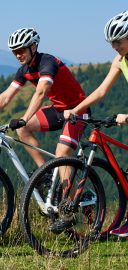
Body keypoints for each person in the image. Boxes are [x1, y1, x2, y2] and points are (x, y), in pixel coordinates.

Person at [0, 27, 89, 233]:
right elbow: (6, 96)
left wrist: (25, 118)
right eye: (15, 51)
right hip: (58, 110)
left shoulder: (48, 62)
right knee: (22, 132)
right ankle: (46, 173)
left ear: (34, 46)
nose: (18, 54)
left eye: (22, 50)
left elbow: (42, 91)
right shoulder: (24, 70)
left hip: (78, 110)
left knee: (62, 152)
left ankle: (69, 210)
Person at [64, 10, 128, 237]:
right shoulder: (120, 60)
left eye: (118, 41)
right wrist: (76, 109)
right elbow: (101, 91)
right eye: (111, 43)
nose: (114, 46)